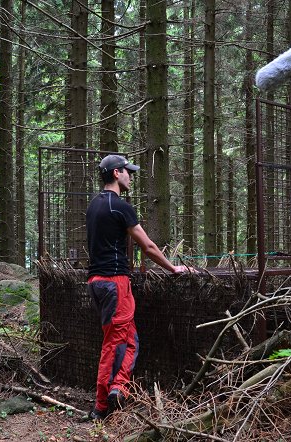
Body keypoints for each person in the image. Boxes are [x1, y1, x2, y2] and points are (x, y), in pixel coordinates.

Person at [86, 154, 190, 420]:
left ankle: (119, 387)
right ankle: (100, 405)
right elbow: (149, 247)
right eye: (128, 172)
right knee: (112, 343)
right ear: (117, 173)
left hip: (97, 282)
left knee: (129, 339)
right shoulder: (120, 207)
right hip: (115, 283)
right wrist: (172, 267)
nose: (131, 176)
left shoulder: (94, 205)